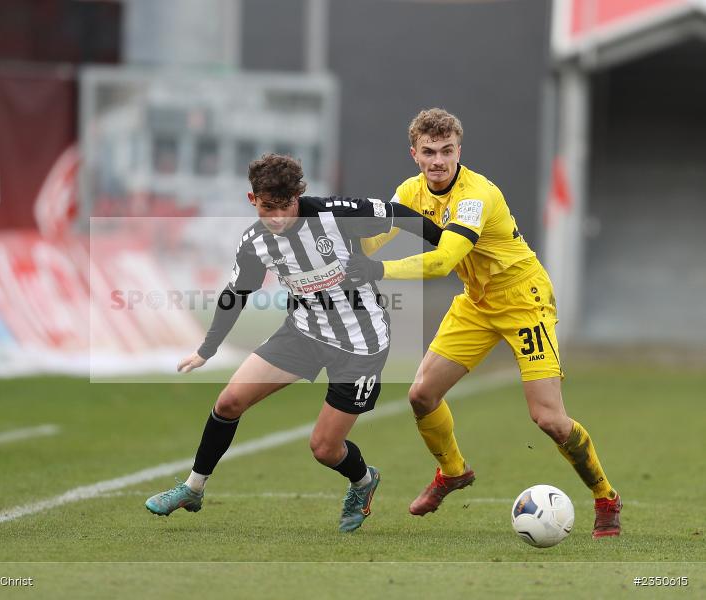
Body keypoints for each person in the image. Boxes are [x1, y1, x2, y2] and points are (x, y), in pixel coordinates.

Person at [345, 108, 621, 538]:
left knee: (548, 418)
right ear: (414, 154)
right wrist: (341, 247)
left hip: (523, 299)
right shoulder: (410, 191)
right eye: (429, 152)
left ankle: (606, 497)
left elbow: (442, 261)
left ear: (459, 151)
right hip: (477, 302)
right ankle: (453, 472)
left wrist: (376, 272)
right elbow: (376, 235)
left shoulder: (475, 195)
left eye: (447, 151)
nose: (438, 160)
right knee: (421, 394)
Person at [144, 153, 440, 531]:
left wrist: (452, 249)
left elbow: (401, 214)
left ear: (299, 196)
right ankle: (193, 488)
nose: (279, 217)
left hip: (360, 343)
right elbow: (236, 293)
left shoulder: (336, 214)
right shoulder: (255, 242)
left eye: (286, 206)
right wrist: (207, 348)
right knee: (229, 401)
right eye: (268, 207)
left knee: (324, 449)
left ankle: (364, 481)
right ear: (252, 200)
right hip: (304, 331)